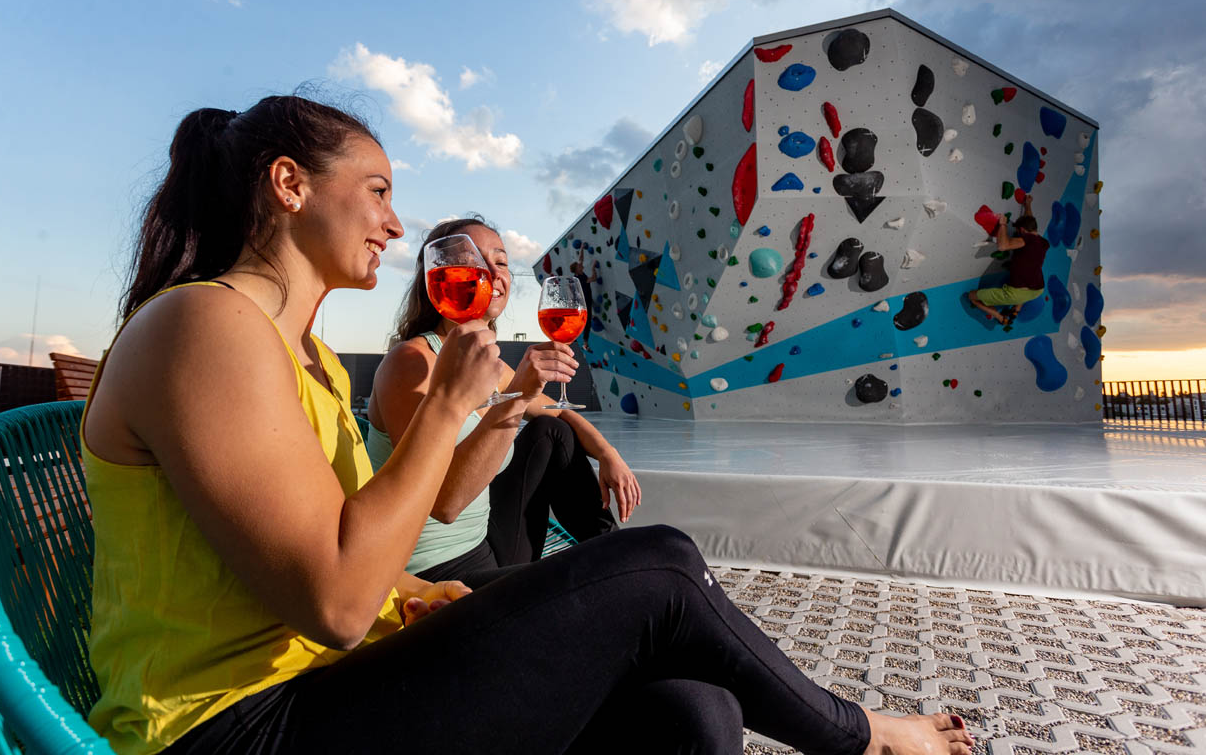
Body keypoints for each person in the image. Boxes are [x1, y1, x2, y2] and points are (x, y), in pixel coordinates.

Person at [83, 94, 975, 755]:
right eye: (379, 190)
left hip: (325, 688)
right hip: (234, 730)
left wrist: (421, 592)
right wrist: (444, 408)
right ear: (288, 184)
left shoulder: (300, 356)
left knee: (697, 712)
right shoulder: (206, 325)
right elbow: (334, 603)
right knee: (657, 565)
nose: (396, 223)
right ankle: (866, 738)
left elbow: (343, 556)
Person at [366, 217, 637, 588]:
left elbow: (556, 412)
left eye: (502, 261)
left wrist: (608, 453)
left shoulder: (491, 366)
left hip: (487, 547)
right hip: (430, 573)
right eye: (475, 259)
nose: (493, 272)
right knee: (577, 584)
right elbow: (445, 504)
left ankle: (614, 559)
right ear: (439, 274)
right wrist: (520, 395)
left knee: (551, 432)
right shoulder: (410, 364)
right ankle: (615, 573)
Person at [968, 194, 1048, 327]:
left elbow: (1002, 246)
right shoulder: (1043, 242)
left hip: (1016, 293)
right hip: (1038, 289)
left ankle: (999, 317)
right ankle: (1016, 311)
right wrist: (1027, 204)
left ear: (1022, 231)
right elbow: (1030, 222)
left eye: (1018, 231)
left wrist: (1003, 224)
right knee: (1026, 284)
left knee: (972, 297)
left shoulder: (1025, 239)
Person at [569, 245, 597, 349]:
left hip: (584, 301)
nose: (582, 266)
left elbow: (581, 259)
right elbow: (594, 278)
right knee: (586, 321)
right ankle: (584, 342)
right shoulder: (579, 279)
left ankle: (581, 340)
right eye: (579, 266)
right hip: (584, 303)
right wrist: (593, 268)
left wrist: (581, 248)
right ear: (577, 270)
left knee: (585, 321)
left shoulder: (578, 274)